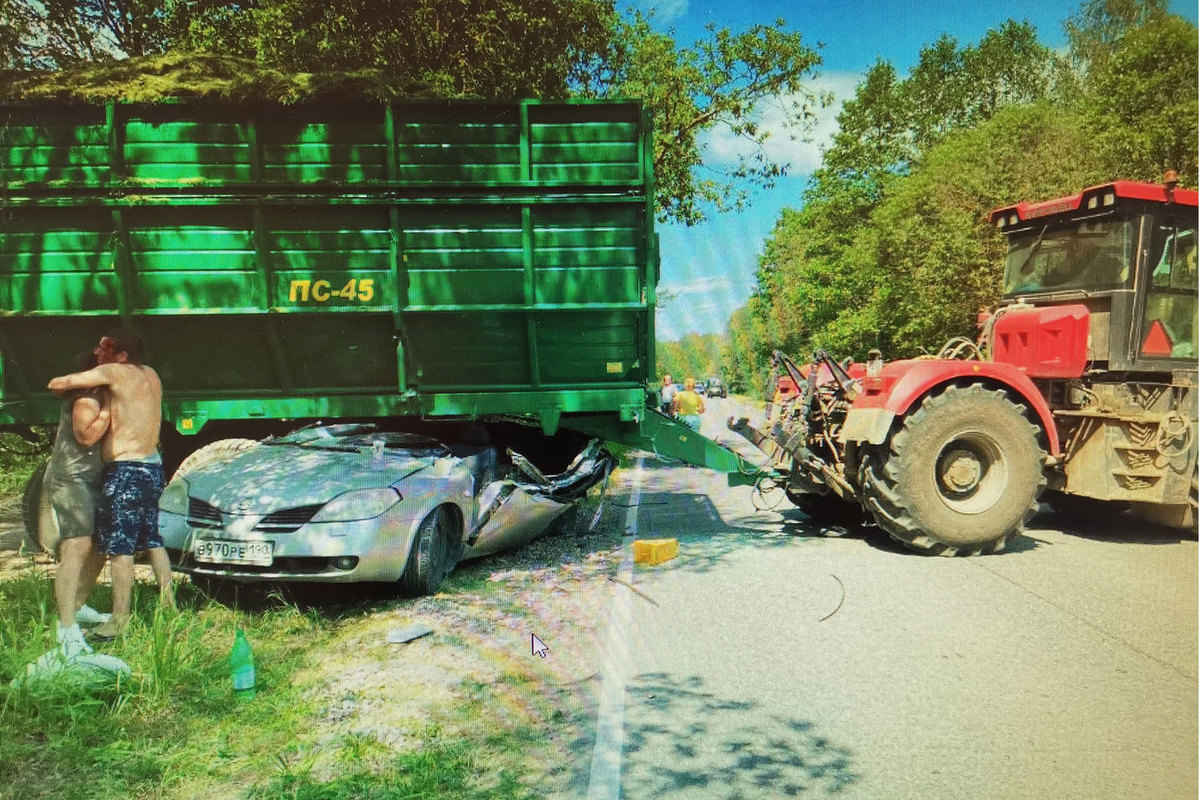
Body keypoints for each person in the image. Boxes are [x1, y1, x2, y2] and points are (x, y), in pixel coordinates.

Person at [48, 332, 172, 640]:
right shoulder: (152, 375)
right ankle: (169, 607)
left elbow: (57, 384)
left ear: (122, 356)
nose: (98, 354)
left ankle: (119, 619)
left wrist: (89, 388)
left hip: (127, 468)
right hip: (153, 465)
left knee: (120, 546)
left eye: (106, 350)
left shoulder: (115, 372)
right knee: (152, 538)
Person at [45, 352, 112, 657]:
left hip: (92, 479)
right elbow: (86, 437)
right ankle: (66, 627)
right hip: (72, 479)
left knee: (99, 545)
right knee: (77, 545)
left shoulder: (101, 393)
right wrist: (110, 411)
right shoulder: (87, 397)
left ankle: (78, 605)